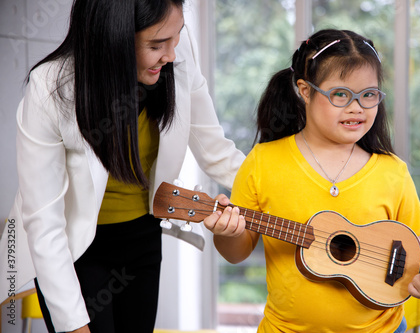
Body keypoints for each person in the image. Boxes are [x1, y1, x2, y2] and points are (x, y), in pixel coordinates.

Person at [0, 0, 245, 332]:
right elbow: (44, 226)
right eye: (157, 45)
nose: (172, 54)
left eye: (177, 37)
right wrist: (74, 327)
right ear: (113, 39)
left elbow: (215, 150)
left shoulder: (175, 47)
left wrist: (286, 188)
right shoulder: (51, 88)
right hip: (76, 250)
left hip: (142, 236)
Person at [204, 29, 420, 332]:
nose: (356, 107)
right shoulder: (262, 162)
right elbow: (236, 253)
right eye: (341, 95)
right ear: (305, 91)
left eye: (368, 95)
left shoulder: (392, 171)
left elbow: (418, 251)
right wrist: (226, 232)